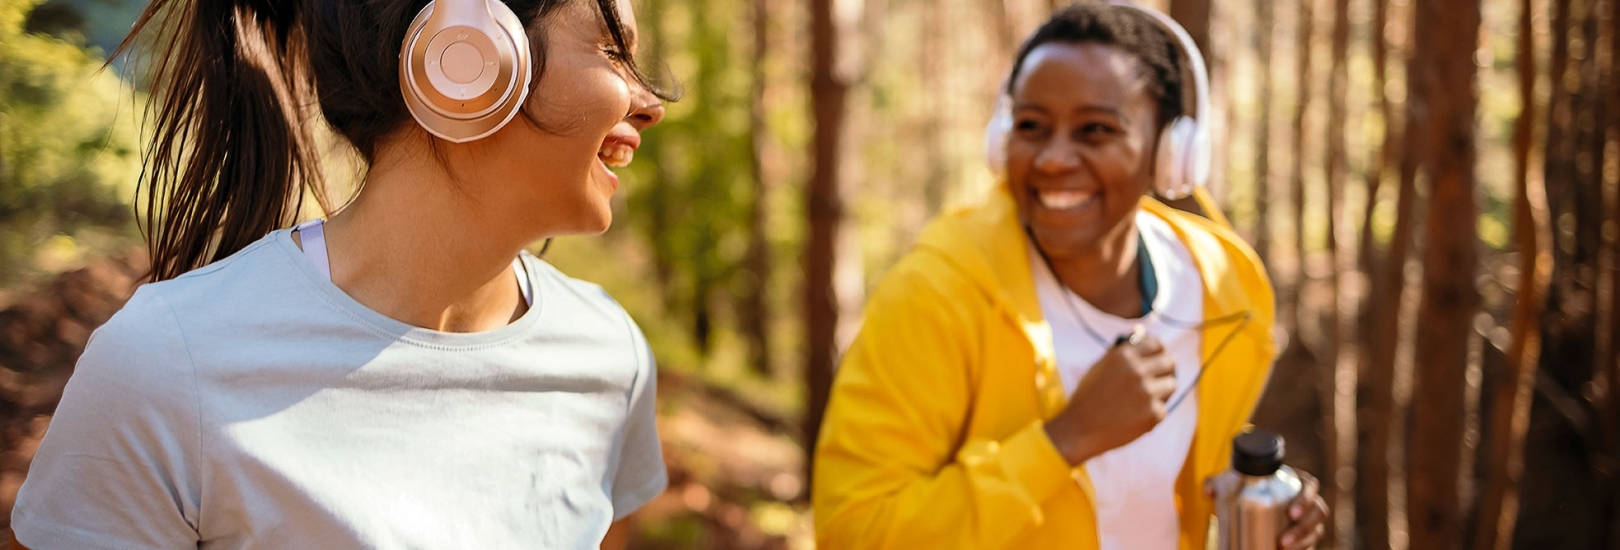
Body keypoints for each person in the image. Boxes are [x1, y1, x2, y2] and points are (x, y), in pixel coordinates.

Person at [9, 0, 673, 547]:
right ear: (467, 54)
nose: (651, 104)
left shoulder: (609, 354)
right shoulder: (162, 367)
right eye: (614, 51)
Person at [811, 3, 1329, 549]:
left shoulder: (1220, 285)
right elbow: (853, 531)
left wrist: (1260, 500)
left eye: (1095, 130)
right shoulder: (938, 293)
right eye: (1032, 126)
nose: (1054, 159)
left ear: (1171, 152)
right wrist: (1065, 439)